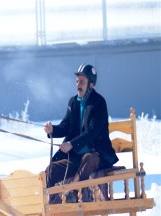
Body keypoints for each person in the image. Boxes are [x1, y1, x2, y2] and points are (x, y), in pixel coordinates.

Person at [44, 64, 119, 204]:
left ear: (91, 84)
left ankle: (73, 194)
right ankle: (51, 204)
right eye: (77, 81)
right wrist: (52, 130)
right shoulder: (73, 102)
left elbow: (92, 132)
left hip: (97, 155)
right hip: (77, 157)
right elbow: (66, 126)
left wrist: (71, 144)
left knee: (88, 158)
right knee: (51, 169)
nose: (78, 85)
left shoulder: (99, 102)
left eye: (82, 82)